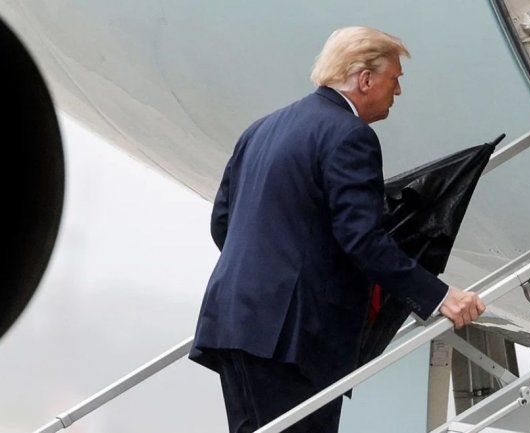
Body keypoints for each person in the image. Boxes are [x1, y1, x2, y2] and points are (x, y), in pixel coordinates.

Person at [189, 26, 486, 433]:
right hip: (292, 338)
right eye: (394, 79)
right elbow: (361, 238)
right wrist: (438, 296)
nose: (397, 91)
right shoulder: (350, 136)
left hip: (235, 322)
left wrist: (271, 277)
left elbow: (223, 223)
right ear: (365, 79)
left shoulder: (262, 128)